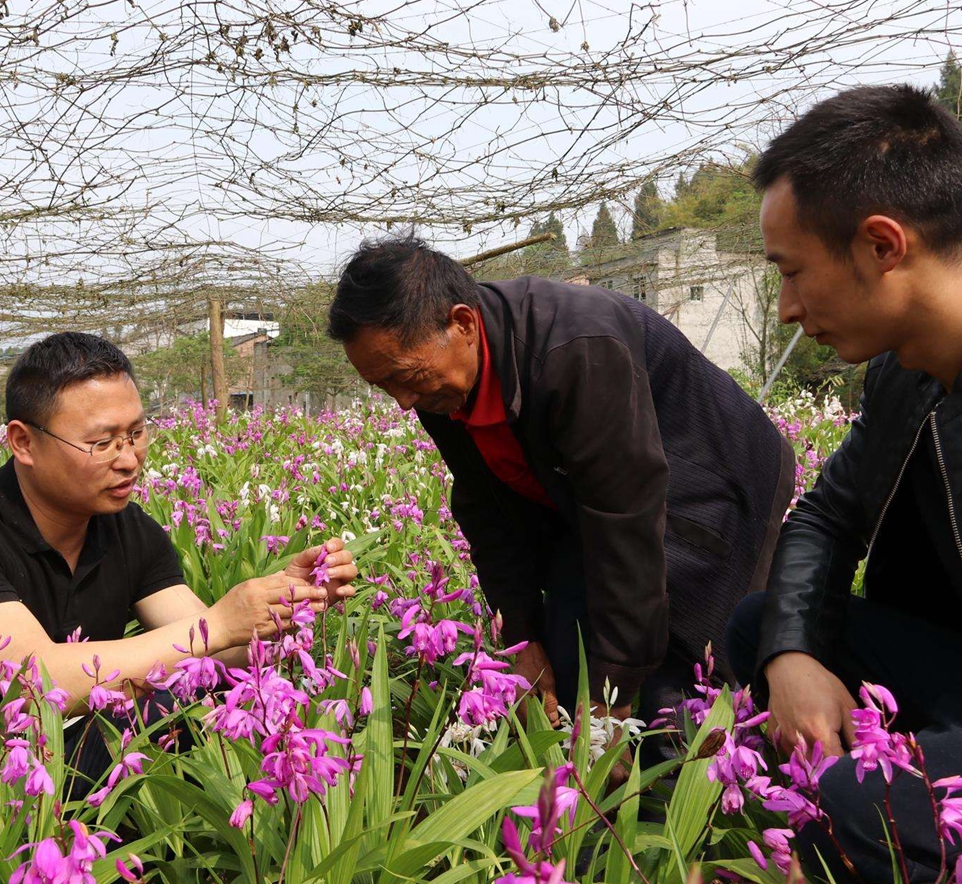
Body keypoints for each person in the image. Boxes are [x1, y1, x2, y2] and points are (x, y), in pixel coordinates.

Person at [326, 235, 794, 744]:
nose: (402, 401)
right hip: (587, 499)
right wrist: (521, 638)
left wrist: (608, 708)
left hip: (709, 481)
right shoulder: (441, 384)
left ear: (462, 324)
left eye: (405, 377)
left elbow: (627, 528)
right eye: (383, 386)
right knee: (567, 667)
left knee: (676, 698)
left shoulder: (576, 350)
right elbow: (486, 509)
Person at [0, 332, 358, 786]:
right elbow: (37, 683)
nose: (129, 459)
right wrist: (223, 623)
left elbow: (214, 651)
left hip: (68, 757)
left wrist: (283, 608)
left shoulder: (127, 529)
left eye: (137, 433)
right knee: (177, 711)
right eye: (102, 443)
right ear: (23, 442)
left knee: (229, 699)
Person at [726, 84, 962, 882]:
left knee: (860, 808)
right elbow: (826, 520)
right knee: (756, 627)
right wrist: (791, 652)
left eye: (791, 273)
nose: (787, 308)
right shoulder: (907, 377)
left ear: (882, 246)